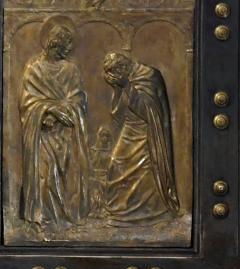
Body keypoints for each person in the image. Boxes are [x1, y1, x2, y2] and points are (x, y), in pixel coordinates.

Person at [19, 23, 90, 233]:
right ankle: (45, 219)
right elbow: (27, 102)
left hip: (66, 132)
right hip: (42, 133)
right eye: (65, 47)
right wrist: (45, 112)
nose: (68, 51)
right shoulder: (34, 68)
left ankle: (65, 218)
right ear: (54, 43)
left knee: (66, 174)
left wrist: (60, 113)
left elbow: (78, 99)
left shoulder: (71, 69)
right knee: (45, 174)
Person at [102, 52, 180, 227]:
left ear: (123, 68)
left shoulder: (149, 75)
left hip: (147, 132)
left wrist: (127, 86)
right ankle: (119, 212)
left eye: (115, 72)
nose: (115, 76)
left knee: (145, 171)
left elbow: (148, 111)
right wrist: (118, 88)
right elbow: (117, 112)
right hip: (130, 127)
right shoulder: (127, 77)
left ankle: (153, 213)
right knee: (115, 164)